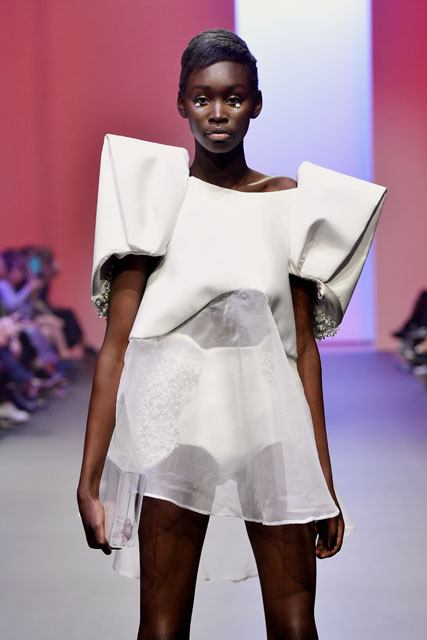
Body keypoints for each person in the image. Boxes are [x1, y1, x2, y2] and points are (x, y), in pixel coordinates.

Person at [77, 29, 387, 639]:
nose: (218, 113)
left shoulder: (291, 204)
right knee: (161, 629)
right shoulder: (153, 199)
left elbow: (301, 351)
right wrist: (90, 478)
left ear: (256, 104)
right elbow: (117, 346)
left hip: (272, 433)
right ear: (181, 102)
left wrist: (323, 481)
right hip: (175, 431)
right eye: (202, 98)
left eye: (234, 98)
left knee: (295, 628)